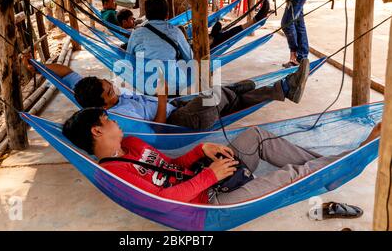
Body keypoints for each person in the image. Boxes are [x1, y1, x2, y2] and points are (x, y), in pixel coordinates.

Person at [62, 107, 382, 204]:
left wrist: (203, 150)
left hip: (212, 177)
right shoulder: (113, 174)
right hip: (210, 203)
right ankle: (349, 159)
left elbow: (171, 167)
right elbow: (166, 199)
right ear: (97, 131)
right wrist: (210, 175)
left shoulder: (131, 143)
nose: (115, 120)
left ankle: (336, 166)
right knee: (290, 178)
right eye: (108, 119)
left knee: (256, 135)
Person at [23, 53, 311, 130]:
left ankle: (284, 88)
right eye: (110, 91)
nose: (115, 89)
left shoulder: (86, 91)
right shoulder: (121, 115)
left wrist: (36, 65)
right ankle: (234, 91)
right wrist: (161, 98)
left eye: (109, 84)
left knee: (223, 96)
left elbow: (66, 73)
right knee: (214, 93)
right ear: (104, 105)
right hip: (180, 123)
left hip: (180, 106)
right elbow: (159, 128)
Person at [126, 0, 193, 61]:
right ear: (167, 15)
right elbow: (189, 57)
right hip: (170, 72)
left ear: (146, 16)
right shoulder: (176, 32)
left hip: (144, 72)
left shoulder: (136, 34)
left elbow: (128, 60)